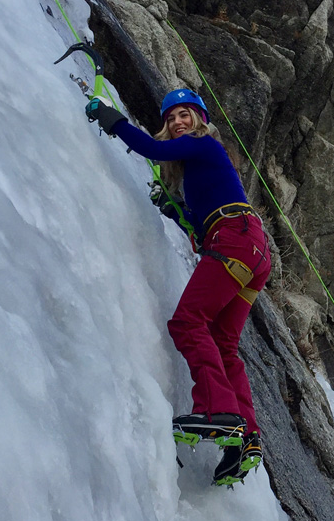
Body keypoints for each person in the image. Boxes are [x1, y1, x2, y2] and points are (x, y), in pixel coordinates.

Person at [86, 88, 270, 485]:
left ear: (200, 119)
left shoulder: (203, 144)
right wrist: (178, 211)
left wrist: (112, 120)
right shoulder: (203, 167)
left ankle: (218, 413)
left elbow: (152, 150)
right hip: (252, 250)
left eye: (184, 114)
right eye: (171, 119)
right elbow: (201, 220)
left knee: (188, 322)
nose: (177, 122)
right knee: (223, 344)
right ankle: (246, 439)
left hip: (234, 239)